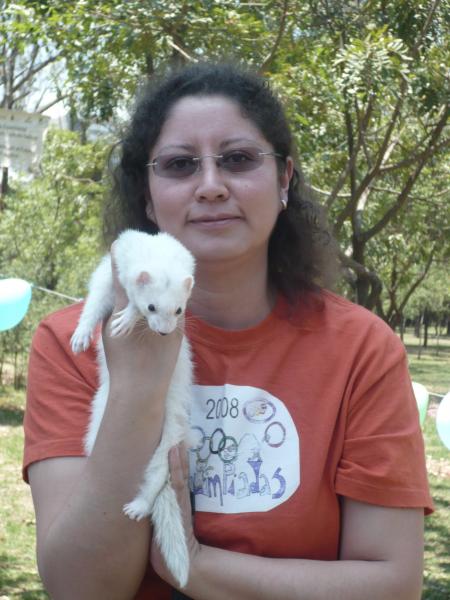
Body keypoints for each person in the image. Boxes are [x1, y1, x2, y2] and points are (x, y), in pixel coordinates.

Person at [23, 62, 433, 600]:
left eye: (238, 159)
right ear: (147, 197)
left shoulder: (362, 349)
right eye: (179, 165)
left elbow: (392, 585)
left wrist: (194, 566)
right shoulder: (72, 343)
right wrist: (137, 388)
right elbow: (80, 589)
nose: (212, 186)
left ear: (284, 179)